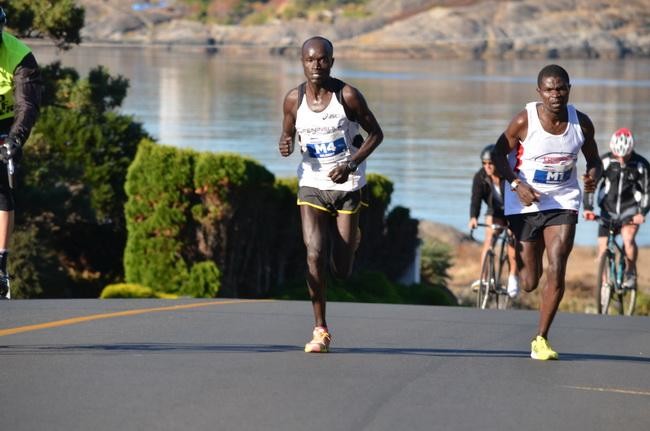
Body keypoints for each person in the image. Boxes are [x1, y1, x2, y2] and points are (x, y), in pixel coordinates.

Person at [278, 36, 383, 353]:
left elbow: (376, 134)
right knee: (314, 253)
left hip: (347, 187)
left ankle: (352, 241)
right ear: (302, 62)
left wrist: (351, 164)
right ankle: (320, 330)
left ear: (332, 62)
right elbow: (287, 133)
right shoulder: (293, 100)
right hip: (312, 185)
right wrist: (285, 143)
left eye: (322, 59)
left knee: (341, 270)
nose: (316, 65)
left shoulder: (347, 96)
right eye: (310, 59)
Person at [493, 64, 602, 360]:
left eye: (561, 88)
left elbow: (594, 160)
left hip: (563, 200)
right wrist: (516, 184)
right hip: (525, 203)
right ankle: (519, 259)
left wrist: (592, 176)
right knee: (530, 281)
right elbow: (497, 154)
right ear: (539, 92)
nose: (556, 94)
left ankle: (541, 338)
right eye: (550, 89)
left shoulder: (581, 123)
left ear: (569, 89)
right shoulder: (524, 120)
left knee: (558, 262)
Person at [0, 8, 42, 299]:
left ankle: (1, 267)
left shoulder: (20, 55)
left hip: (6, 123)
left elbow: (27, 105)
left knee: (2, 187)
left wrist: (15, 140)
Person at [583, 127, 650, 289]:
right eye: (617, 155)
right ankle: (605, 285)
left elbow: (647, 191)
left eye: (624, 156)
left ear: (631, 150)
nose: (621, 159)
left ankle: (630, 273)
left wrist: (642, 213)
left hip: (630, 211)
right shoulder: (604, 161)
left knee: (628, 239)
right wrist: (588, 208)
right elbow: (590, 185)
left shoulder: (641, 165)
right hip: (607, 210)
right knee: (602, 250)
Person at [468, 144, 519, 298]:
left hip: (513, 211)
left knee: (512, 241)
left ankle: (513, 278)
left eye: (490, 163)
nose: (487, 167)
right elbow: (475, 198)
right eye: (484, 163)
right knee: (489, 238)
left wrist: (513, 226)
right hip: (494, 210)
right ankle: (484, 279)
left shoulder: (508, 175)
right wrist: (473, 217)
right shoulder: (480, 176)